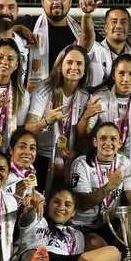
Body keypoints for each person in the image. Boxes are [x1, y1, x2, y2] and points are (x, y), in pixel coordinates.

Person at [13, 188, 121, 261]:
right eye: (56, 202)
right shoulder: (36, 220)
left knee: (114, 252)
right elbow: (26, 218)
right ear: (47, 204)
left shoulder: (77, 235)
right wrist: (30, 210)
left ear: (73, 212)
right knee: (33, 254)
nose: (61, 207)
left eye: (67, 205)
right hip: (34, 258)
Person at [26, 43, 94, 190]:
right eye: (69, 62)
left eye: (79, 63)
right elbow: (28, 130)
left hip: (69, 160)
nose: (74, 67)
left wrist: (76, 151)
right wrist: (45, 121)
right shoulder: (44, 90)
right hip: (41, 157)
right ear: (60, 65)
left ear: (85, 69)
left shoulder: (85, 96)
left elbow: (85, 141)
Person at [88, 55, 131, 166]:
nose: (126, 79)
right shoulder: (100, 97)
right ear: (113, 75)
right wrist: (86, 116)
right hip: (104, 157)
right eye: (121, 73)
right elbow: (86, 132)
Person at [24, 0, 81, 91]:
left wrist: (87, 15)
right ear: (42, 1)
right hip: (35, 97)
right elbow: (4, 27)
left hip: (70, 99)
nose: (57, 2)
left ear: (70, 2)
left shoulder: (80, 31)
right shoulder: (29, 25)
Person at [79, 3, 131, 88]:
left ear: (129, 28)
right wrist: (86, 15)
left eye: (123, 22)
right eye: (114, 22)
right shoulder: (94, 49)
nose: (119, 26)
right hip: (95, 98)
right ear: (105, 27)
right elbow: (86, 36)